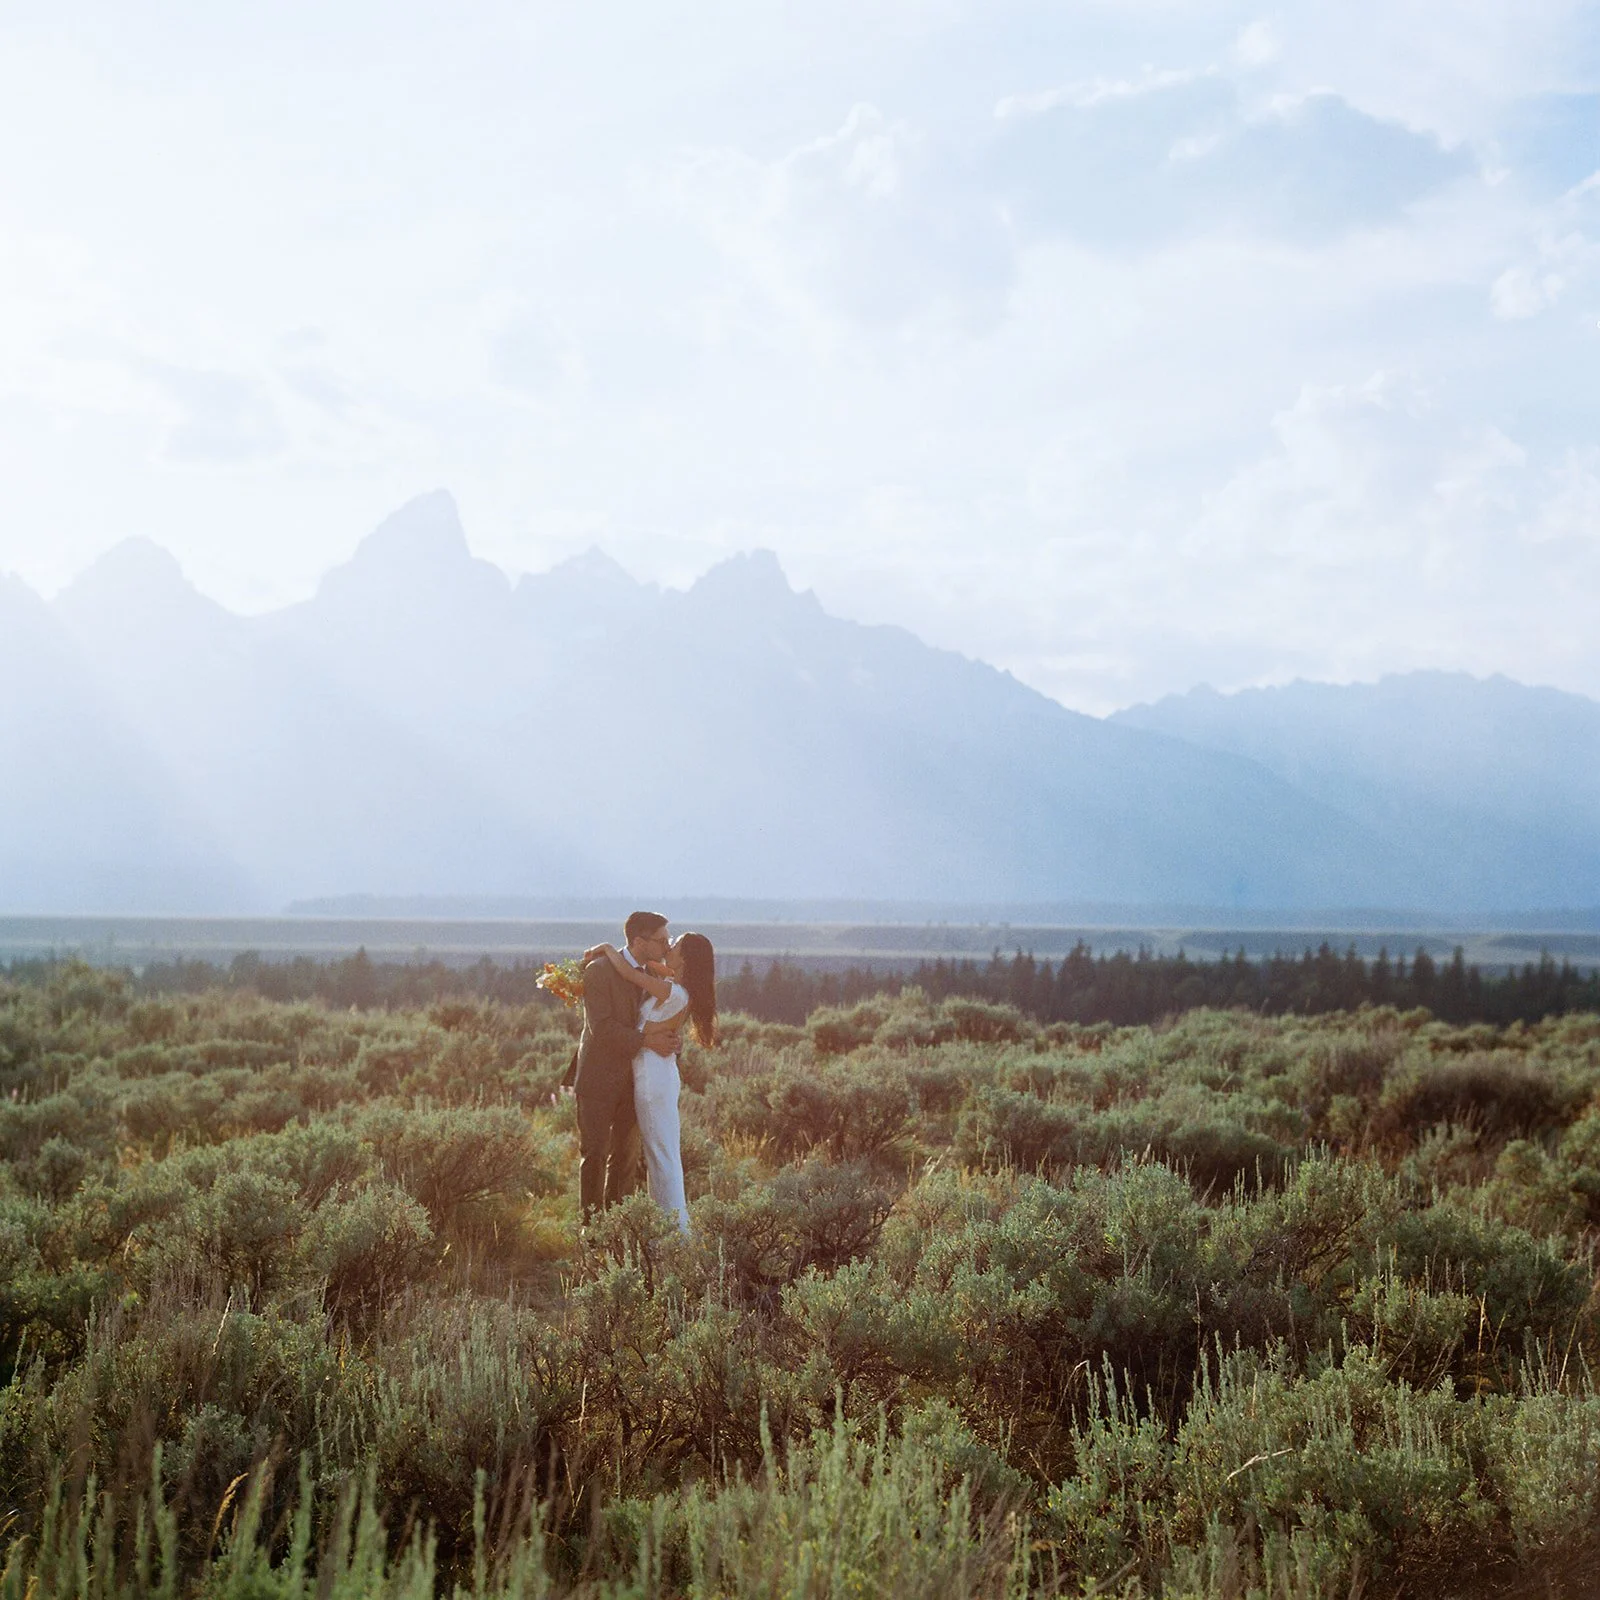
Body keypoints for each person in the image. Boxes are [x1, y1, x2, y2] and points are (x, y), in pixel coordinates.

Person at [585, 930, 717, 1233]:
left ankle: (676, 1235)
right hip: (654, 1072)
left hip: (652, 1076)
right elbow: (651, 968)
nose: (669, 946)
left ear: (685, 958)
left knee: (661, 1155)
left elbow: (630, 974)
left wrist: (607, 947)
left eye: (675, 944)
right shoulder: (675, 986)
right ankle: (666, 1231)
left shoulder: (672, 991)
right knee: (661, 1153)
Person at [572, 911, 684, 1219]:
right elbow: (602, 1028)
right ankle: (591, 1229)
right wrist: (648, 1042)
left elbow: (662, 1022)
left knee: (625, 1159)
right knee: (594, 1155)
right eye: (662, 940)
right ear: (639, 941)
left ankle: (619, 1228)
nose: (667, 946)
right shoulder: (598, 970)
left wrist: (673, 1042)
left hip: (638, 1083)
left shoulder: (657, 977)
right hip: (598, 1079)